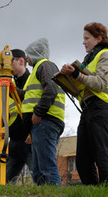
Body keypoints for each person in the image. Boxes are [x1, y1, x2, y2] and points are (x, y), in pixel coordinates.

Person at [60, 22, 108, 187]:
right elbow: (84, 85)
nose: (83, 42)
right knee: (82, 159)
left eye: (87, 38)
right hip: (88, 108)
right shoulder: (90, 60)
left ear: (99, 38)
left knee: (101, 154)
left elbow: (100, 83)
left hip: (102, 107)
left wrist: (75, 73)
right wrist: (66, 78)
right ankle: (94, 193)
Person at [22, 38, 66, 186]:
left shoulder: (45, 65)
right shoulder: (37, 70)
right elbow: (28, 96)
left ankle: (55, 195)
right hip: (41, 124)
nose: (26, 58)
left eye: (28, 54)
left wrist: (38, 113)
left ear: (35, 54)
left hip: (45, 121)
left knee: (47, 167)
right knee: (39, 171)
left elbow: (51, 88)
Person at [0, 49, 32, 184]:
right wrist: (0, 120)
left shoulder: (31, 81)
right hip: (13, 141)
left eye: (11, 63)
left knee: (40, 176)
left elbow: (32, 105)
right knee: (5, 181)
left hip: (29, 139)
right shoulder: (9, 84)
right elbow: (9, 111)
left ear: (21, 61)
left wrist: (32, 132)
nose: (7, 67)